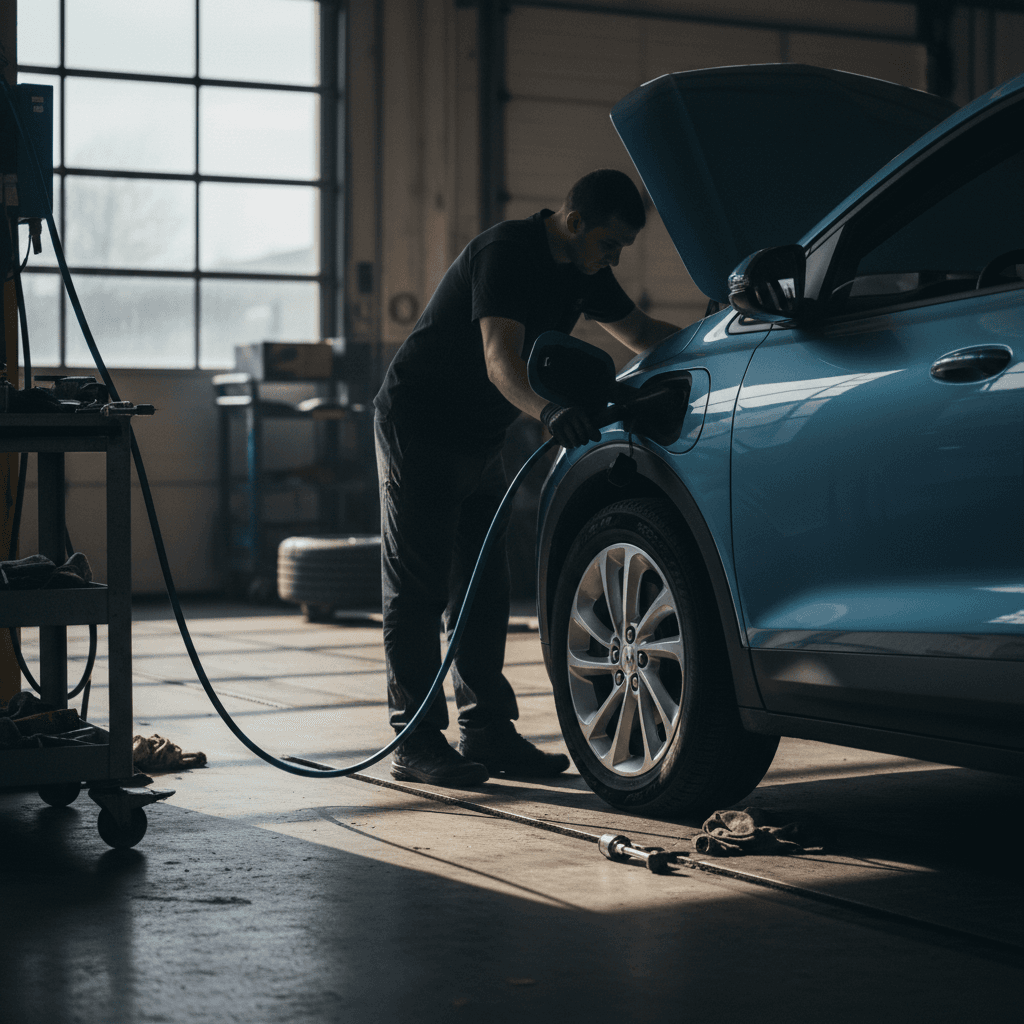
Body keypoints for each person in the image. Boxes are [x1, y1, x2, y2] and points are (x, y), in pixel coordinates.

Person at [374, 168, 680, 787]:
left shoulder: (582, 268)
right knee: (420, 588)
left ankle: (488, 731)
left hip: (483, 433)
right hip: (422, 425)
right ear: (573, 224)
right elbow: (499, 361)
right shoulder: (506, 253)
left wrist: (718, 341)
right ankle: (416, 741)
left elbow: (643, 334)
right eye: (608, 245)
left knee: (483, 591)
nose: (614, 259)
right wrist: (547, 410)